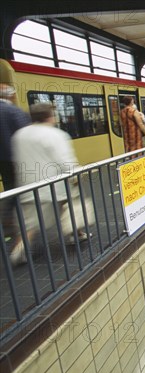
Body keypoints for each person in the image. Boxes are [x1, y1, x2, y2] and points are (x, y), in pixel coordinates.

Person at [10, 103, 91, 266]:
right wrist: (75, 174)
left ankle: (19, 249)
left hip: (29, 184)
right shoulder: (56, 134)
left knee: (30, 222)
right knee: (70, 205)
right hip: (55, 183)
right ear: (50, 116)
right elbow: (65, 159)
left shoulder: (19, 135)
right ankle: (76, 233)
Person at [0, 84, 31, 228]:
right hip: (16, 157)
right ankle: (19, 218)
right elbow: (26, 133)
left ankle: (8, 216)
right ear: (11, 95)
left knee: (9, 186)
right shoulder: (14, 111)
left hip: (2, 159)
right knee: (21, 187)